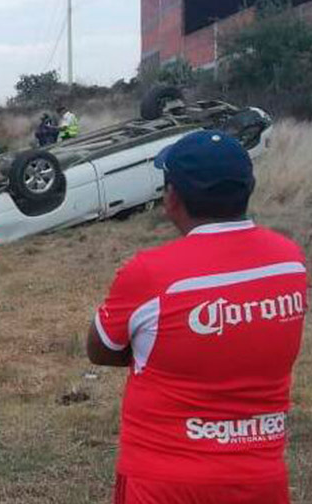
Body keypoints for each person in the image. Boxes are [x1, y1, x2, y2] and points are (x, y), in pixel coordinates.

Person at [87, 131, 307, 504]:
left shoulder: (149, 274)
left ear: (171, 197)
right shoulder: (290, 261)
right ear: (249, 187)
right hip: (261, 480)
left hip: (163, 482)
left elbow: (101, 348)